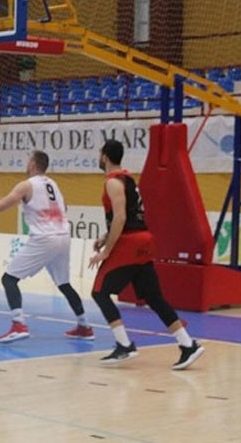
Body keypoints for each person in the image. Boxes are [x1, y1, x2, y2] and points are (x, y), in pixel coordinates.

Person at [88, 139, 204, 369]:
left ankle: (124, 345)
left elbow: (121, 218)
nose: (98, 158)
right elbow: (129, 215)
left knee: (99, 292)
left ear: (105, 157)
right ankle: (188, 344)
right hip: (143, 239)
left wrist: (106, 251)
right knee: (153, 297)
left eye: (100, 154)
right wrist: (105, 237)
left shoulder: (112, 182)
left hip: (129, 243)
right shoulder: (129, 178)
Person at [0, 150, 94, 343]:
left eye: (28, 162)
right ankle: (84, 326)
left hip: (45, 238)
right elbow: (64, 208)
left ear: (33, 164)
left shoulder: (26, 185)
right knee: (64, 284)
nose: (26, 165)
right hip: (64, 235)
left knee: (9, 279)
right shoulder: (53, 183)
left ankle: (19, 325)